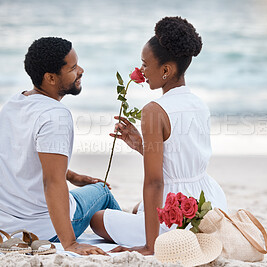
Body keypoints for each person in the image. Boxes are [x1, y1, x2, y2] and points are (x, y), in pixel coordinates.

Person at [90, 17, 227, 255]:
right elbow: (181, 155)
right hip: (208, 203)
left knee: (97, 219)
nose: (141, 71)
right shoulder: (198, 103)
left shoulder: (154, 111)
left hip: (177, 214)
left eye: (145, 64)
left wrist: (150, 246)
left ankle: (157, 238)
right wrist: (142, 147)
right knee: (135, 210)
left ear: (165, 70)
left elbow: (155, 182)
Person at [0, 37, 120, 255]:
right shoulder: (55, 115)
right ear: (51, 78)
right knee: (102, 192)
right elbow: (52, 183)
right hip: (38, 229)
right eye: (73, 68)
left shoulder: (14, 103)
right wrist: (70, 244)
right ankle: (137, 237)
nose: (81, 71)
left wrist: (71, 175)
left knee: (87, 198)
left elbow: (22, 158)